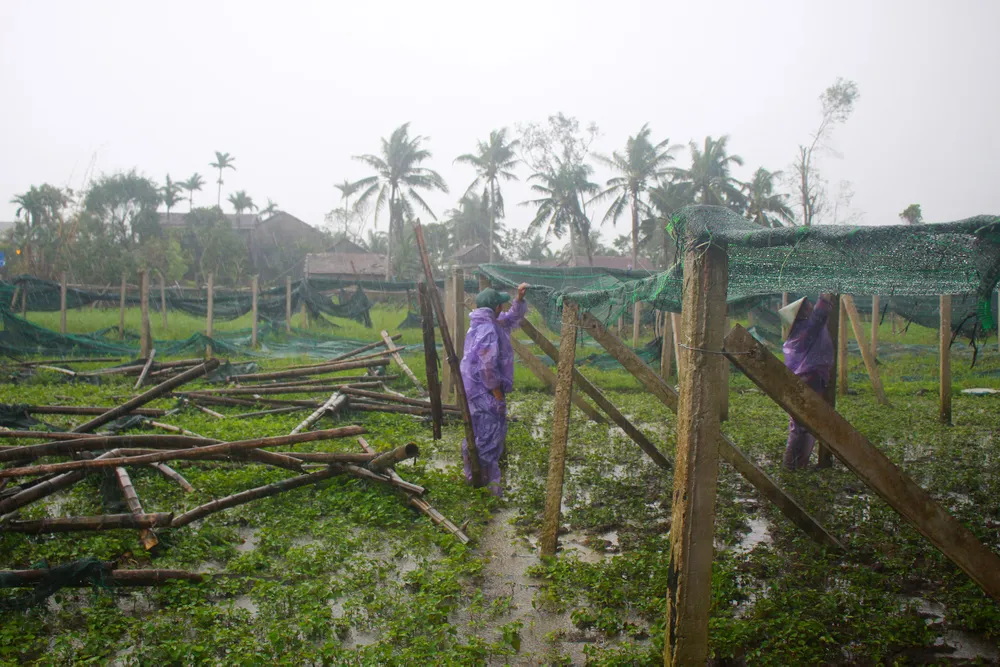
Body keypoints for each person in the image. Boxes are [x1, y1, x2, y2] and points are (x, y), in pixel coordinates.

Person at [459, 282, 529, 495]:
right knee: (489, 440)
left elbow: (510, 319)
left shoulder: (482, 322)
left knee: (476, 436)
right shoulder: (489, 329)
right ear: (496, 307)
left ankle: (473, 482)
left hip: (473, 391)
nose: (503, 307)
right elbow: (487, 366)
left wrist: (519, 300)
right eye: (501, 304)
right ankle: (488, 492)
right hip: (486, 392)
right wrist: (496, 392)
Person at [779, 293, 836, 470]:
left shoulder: (799, 332)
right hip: (808, 379)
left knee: (802, 423)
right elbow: (820, 315)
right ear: (801, 313)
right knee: (802, 425)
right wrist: (825, 297)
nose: (809, 306)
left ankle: (796, 465)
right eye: (806, 306)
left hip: (805, 379)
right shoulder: (805, 330)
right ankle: (792, 466)